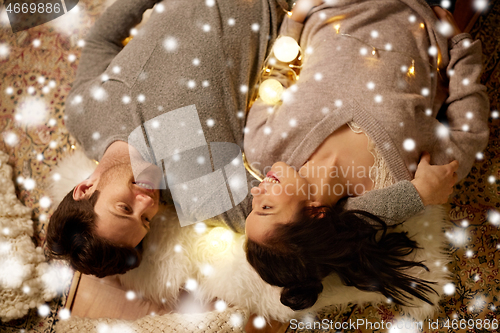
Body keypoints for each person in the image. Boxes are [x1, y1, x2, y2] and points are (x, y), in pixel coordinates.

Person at [243, 0, 489, 310]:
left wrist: (296, 20)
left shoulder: (262, 149)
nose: (255, 190)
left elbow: (274, 79)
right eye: (265, 206)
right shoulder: (412, 176)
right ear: (316, 213)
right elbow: (471, 131)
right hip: (419, 11)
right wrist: (461, 48)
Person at [46, 0, 289, 277]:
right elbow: (290, 215)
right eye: (146, 220)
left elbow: (100, 42)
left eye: (125, 207)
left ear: (85, 188)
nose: (148, 204)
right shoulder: (197, 191)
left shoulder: (83, 115)